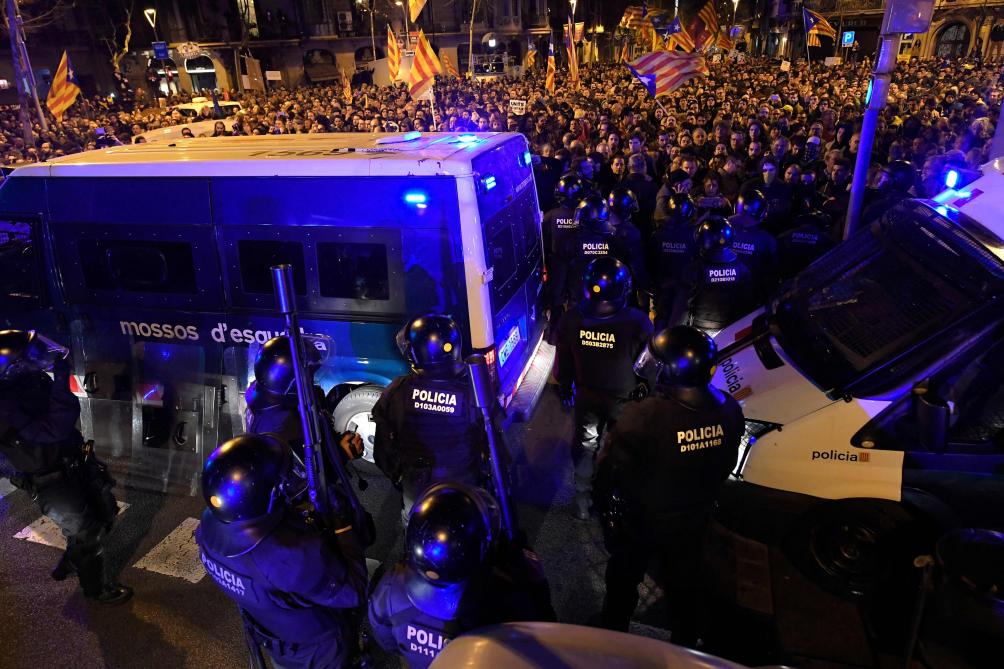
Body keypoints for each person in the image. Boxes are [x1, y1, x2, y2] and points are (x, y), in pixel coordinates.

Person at [594, 326, 744, 645]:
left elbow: (610, 468)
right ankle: (685, 646)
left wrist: (606, 508)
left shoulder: (644, 415)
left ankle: (611, 636)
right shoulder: (730, 409)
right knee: (684, 585)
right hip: (693, 519)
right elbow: (726, 465)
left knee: (623, 580)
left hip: (642, 522)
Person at [195, 433, 368, 669]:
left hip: (271, 635)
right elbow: (354, 591)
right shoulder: (289, 556)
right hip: (318, 648)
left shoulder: (208, 532)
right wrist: (343, 527)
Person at [0, 330, 131, 604]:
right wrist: (61, 377)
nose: (37, 358)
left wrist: (56, 378)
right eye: (29, 356)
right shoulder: (5, 404)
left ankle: (72, 561)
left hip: (74, 462)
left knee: (106, 512)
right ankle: (96, 589)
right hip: (50, 480)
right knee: (86, 530)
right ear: (11, 367)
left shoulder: (30, 381)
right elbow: (54, 428)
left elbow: (67, 409)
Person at [368, 483, 555, 668]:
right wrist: (535, 583)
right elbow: (546, 640)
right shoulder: (506, 597)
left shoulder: (391, 587)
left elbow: (386, 639)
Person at [372, 314, 504, 523]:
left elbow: (383, 450)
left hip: (418, 491)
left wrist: (399, 477)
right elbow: (495, 443)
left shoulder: (398, 392)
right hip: (466, 488)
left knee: (417, 540)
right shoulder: (473, 390)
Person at [555, 257, 652, 520]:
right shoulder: (637, 321)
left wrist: (564, 385)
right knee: (621, 447)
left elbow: (562, 361)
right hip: (625, 399)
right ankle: (614, 502)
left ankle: (582, 501)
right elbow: (649, 368)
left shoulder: (572, 318)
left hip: (587, 395)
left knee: (586, 444)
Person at [668, 217, 757, 334]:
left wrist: (676, 334)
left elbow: (682, 308)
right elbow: (746, 306)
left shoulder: (694, 270)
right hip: (729, 331)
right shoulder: (742, 270)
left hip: (699, 331)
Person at [728, 190, 779, 300]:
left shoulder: (725, 230)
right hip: (751, 297)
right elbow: (772, 274)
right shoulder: (768, 240)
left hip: (722, 294)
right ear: (762, 213)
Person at [776, 212, 836, 280]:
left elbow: (776, 256)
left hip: (788, 277)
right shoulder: (825, 238)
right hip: (815, 277)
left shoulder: (785, 236)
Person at [861, 160, 918, 224]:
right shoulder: (909, 205)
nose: (879, 179)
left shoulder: (877, 207)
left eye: (884, 176)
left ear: (895, 182)